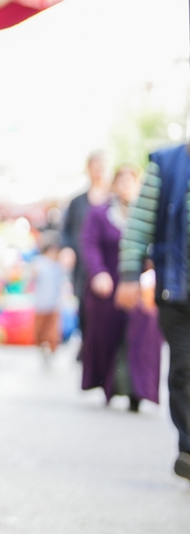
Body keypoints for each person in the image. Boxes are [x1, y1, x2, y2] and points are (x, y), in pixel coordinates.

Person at [116, 146, 190, 483]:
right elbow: (139, 225)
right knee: (185, 368)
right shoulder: (167, 163)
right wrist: (130, 274)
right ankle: (188, 448)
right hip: (177, 291)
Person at [79, 166, 164, 414]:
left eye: (131, 181)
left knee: (142, 340)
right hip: (109, 286)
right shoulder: (100, 213)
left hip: (142, 287)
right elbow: (89, 244)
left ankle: (138, 392)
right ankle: (110, 386)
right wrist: (98, 273)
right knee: (108, 338)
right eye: (122, 180)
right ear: (115, 184)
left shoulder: (148, 213)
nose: (126, 185)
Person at [61, 151, 111, 347]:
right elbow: (66, 231)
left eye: (102, 166)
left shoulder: (114, 199)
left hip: (108, 264)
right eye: (95, 166)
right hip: (83, 266)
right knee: (84, 305)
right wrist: (66, 249)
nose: (98, 170)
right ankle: (88, 346)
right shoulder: (77, 202)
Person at [31, 239, 67, 356]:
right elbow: (32, 275)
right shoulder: (39, 262)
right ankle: (42, 347)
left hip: (54, 303)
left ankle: (51, 349)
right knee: (40, 330)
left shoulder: (57, 265)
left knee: (53, 331)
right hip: (41, 303)